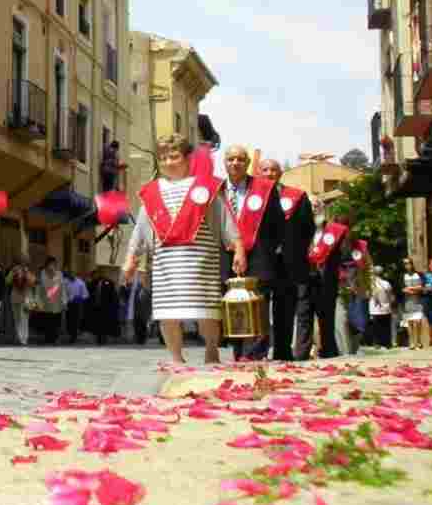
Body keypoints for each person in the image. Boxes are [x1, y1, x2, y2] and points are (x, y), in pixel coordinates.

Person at [123, 133, 246, 365]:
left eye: (174, 156)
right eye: (163, 158)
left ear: (187, 158)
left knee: (206, 311)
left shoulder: (206, 187)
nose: (168, 162)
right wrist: (131, 259)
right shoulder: (151, 191)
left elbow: (226, 221)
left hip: (200, 261)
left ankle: (212, 350)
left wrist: (238, 248)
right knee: (167, 314)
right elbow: (141, 229)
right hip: (165, 263)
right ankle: (176, 358)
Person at [220, 144, 284, 360]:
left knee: (258, 302)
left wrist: (265, 247)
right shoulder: (216, 189)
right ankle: (239, 352)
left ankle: (256, 353)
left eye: (240, 159)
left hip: (259, 254)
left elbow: (277, 223)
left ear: (247, 163)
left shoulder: (264, 188)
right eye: (231, 159)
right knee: (233, 302)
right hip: (226, 253)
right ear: (225, 162)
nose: (235, 163)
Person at [259, 157, 314, 361]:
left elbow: (308, 228)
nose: (269, 174)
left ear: (280, 173)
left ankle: (283, 351)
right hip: (262, 260)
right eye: (265, 170)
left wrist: (295, 250)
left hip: (289, 262)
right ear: (258, 172)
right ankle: (259, 351)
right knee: (261, 307)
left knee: (285, 308)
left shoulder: (297, 196)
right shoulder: (252, 197)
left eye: (273, 170)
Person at [306, 201, 355, 359]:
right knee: (303, 319)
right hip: (305, 281)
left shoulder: (336, 231)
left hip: (328, 281)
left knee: (328, 319)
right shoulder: (300, 228)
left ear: (323, 209)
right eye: (311, 205)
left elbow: (347, 256)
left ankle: (329, 350)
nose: (315, 208)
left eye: (318, 205)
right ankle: (303, 352)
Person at [35, 257, 65, 344]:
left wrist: (64, 301)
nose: (52, 266)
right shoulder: (42, 274)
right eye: (50, 264)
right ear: (47, 265)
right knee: (46, 320)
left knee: (56, 321)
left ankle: (54, 338)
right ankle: (47, 338)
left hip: (57, 302)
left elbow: (62, 288)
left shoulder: (59, 274)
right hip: (46, 302)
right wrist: (37, 300)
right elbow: (39, 288)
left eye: (53, 264)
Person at [400, 256, 427, 350]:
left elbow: (423, 286)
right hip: (407, 301)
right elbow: (401, 288)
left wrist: (412, 289)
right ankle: (411, 343)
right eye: (405, 264)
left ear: (412, 264)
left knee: (418, 321)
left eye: (408, 263)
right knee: (409, 322)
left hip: (418, 300)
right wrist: (408, 290)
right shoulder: (402, 275)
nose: (407, 265)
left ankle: (419, 341)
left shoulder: (419, 274)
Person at [6, 257, 33, 345]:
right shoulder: (14, 270)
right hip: (15, 297)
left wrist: (26, 273)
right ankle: (19, 337)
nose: (23, 263)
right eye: (22, 261)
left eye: (25, 261)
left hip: (26, 298)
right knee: (17, 318)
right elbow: (7, 281)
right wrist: (13, 273)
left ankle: (24, 339)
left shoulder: (28, 271)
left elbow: (32, 282)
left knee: (25, 318)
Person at [368, 266, 394, 348]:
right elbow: (390, 296)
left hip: (375, 308)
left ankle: (377, 343)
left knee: (376, 327)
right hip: (386, 307)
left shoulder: (371, 283)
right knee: (386, 326)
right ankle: (387, 343)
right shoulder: (386, 283)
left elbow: (367, 295)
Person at [63, 269, 88, 343]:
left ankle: (73, 336)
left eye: (73, 274)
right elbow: (62, 292)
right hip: (68, 303)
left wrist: (80, 298)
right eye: (70, 274)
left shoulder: (80, 283)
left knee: (75, 320)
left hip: (77, 304)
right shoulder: (65, 282)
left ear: (75, 274)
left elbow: (86, 294)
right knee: (68, 320)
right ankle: (70, 334)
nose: (71, 275)